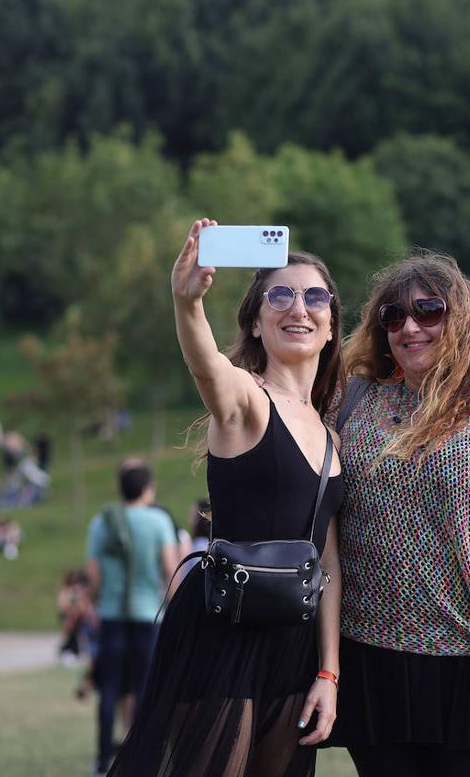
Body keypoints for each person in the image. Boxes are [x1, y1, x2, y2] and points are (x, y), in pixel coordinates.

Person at [109, 220, 344, 777]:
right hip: (224, 628)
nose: (299, 308)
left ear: (332, 324)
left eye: (315, 297)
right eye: (280, 295)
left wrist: (329, 674)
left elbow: (329, 562)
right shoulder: (246, 398)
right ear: (257, 323)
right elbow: (206, 365)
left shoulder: (333, 434)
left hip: (293, 643)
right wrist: (187, 304)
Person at [329, 252, 470, 777]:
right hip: (372, 656)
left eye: (429, 311)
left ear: (462, 322)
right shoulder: (352, 408)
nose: (410, 327)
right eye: (394, 315)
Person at [85, 459, 180, 775]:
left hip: (111, 615)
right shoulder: (157, 522)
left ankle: (101, 758)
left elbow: (92, 572)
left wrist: (101, 598)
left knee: (109, 687)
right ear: (145, 488)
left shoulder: (102, 521)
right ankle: (138, 756)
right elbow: (169, 569)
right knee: (142, 687)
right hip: (147, 616)